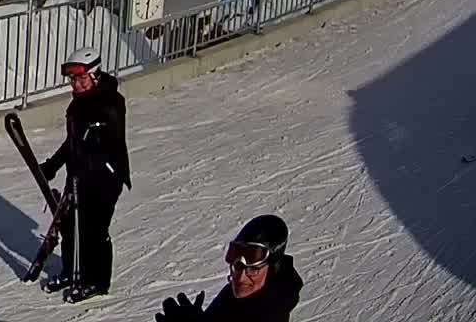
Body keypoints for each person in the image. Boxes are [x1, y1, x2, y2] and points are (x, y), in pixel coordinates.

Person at [38, 48, 130, 303]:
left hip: (105, 177)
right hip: (79, 173)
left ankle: (97, 281)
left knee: (94, 229)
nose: (76, 84)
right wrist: (52, 165)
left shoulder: (111, 100)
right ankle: (71, 271)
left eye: (81, 79)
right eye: (72, 80)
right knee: (69, 225)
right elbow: (73, 142)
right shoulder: (77, 103)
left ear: (95, 76)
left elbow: (111, 128)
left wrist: (97, 133)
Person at [154, 214, 304, 321]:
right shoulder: (239, 293)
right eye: (237, 267)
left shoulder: (272, 312)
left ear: (273, 268)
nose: (240, 277)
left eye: (252, 270)